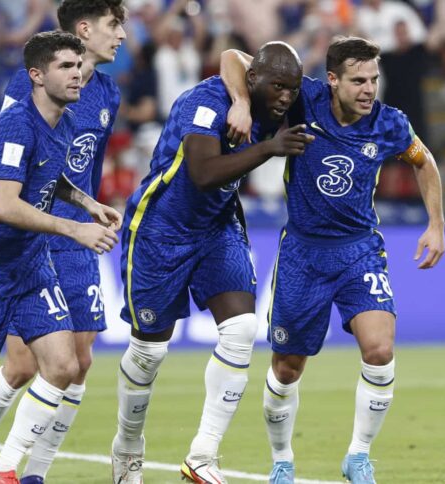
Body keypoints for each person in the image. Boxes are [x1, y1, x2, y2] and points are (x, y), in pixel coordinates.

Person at [220, 36, 445, 484]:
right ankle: (282, 460)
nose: (368, 89)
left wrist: (436, 223)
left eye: (374, 79)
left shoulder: (389, 124)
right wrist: (242, 103)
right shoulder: (303, 99)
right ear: (332, 81)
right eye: (358, 80)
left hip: (359, 248)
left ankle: (358, 456)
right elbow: (232, 59)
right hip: (303, 253)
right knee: (286, 368)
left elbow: (424, 162)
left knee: (380, 350)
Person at [0, 31, 122, 484]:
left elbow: (51, 180)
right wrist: (75, 228)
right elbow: (6, 205)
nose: (77, 75)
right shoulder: (15, 125)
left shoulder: (66, 123)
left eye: (78, 66)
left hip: (33, 268)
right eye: (66, 67)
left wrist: (88, 203)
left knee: (65, 367)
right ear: (36, 75)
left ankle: (6, 471)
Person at [111, 41, 314, 484]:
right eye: (277, 87)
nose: (286, 97)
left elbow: (236, 55)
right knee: (148, 352)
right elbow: (203, 174)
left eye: (292, 88)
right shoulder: (204, 103)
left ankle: (202, 456)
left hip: (217, 228)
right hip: (160, 230)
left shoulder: (268, 94)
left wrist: (248, 101)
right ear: (256, 79)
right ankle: (127, 446)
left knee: (241, 330)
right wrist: (268, 147)